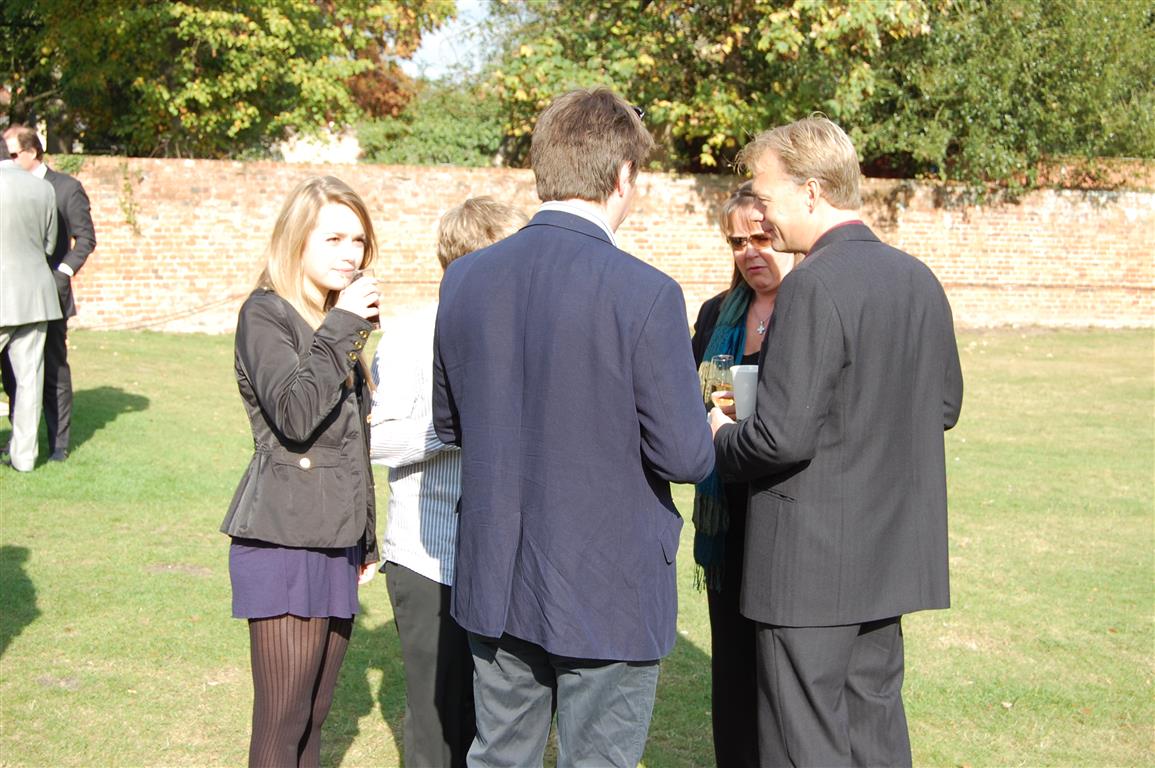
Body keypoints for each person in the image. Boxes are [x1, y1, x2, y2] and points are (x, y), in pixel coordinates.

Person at [431, 88, 715, 768]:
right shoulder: (646, 292)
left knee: (499, 757)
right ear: (623, 175)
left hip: (498, 573)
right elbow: (685, 456)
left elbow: (449, 423)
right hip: (608, 586)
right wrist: (709, 421)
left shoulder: (464, 279)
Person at [708, 116, 963, 766]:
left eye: (767, 196)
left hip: (807, 568)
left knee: (804, 743)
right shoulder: (917, 277)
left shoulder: (812, 284)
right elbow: (941, 406)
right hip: (887, 554)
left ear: (811, 191)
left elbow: (780, 438)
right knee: (874, 732)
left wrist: (721, 434)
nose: (764, 213)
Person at [219, 176, 381, 768]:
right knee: (281, 725)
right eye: (333, 238)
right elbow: (294, 414)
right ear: (296, 241)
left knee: (313, 720)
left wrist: (365, 539)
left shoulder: (330, 322)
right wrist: (345, 327)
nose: (350, 253)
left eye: (358, 240)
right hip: (282, 537)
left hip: (335, 540)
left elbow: (351, 446)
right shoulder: (265, 314)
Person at [368, 197, 527, 767]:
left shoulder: (525, 331)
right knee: (437, 722)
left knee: (498, 718)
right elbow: (376, 441)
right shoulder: (412, 335)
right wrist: (453, 430)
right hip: (427, 557)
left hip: (506, 558)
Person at [691, 180, 800, 768]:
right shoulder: (717, 314)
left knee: (781, 673)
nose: (750, 253)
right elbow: (685, 397)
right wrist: (711, 408)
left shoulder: (808, 310)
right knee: (732, 666)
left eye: (761, 238)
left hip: (786, 507)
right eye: (737, 242)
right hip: (728, 513)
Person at [2, 124, 97, 462]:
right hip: (17, 295)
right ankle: (19, 442)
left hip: (50, 292)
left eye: (13, 153)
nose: (8, 158)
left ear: (32, 152)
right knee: (14, 373)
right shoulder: (12, 184)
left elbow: (85, 239)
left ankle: (58, 443)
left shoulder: (65, 188)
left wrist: (62, 273)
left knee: (54, 370)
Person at [0, 165, 62, 471]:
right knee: (30, 381)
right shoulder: (43, 187)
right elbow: (49, 245)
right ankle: (24, 459)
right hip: (35, 294)